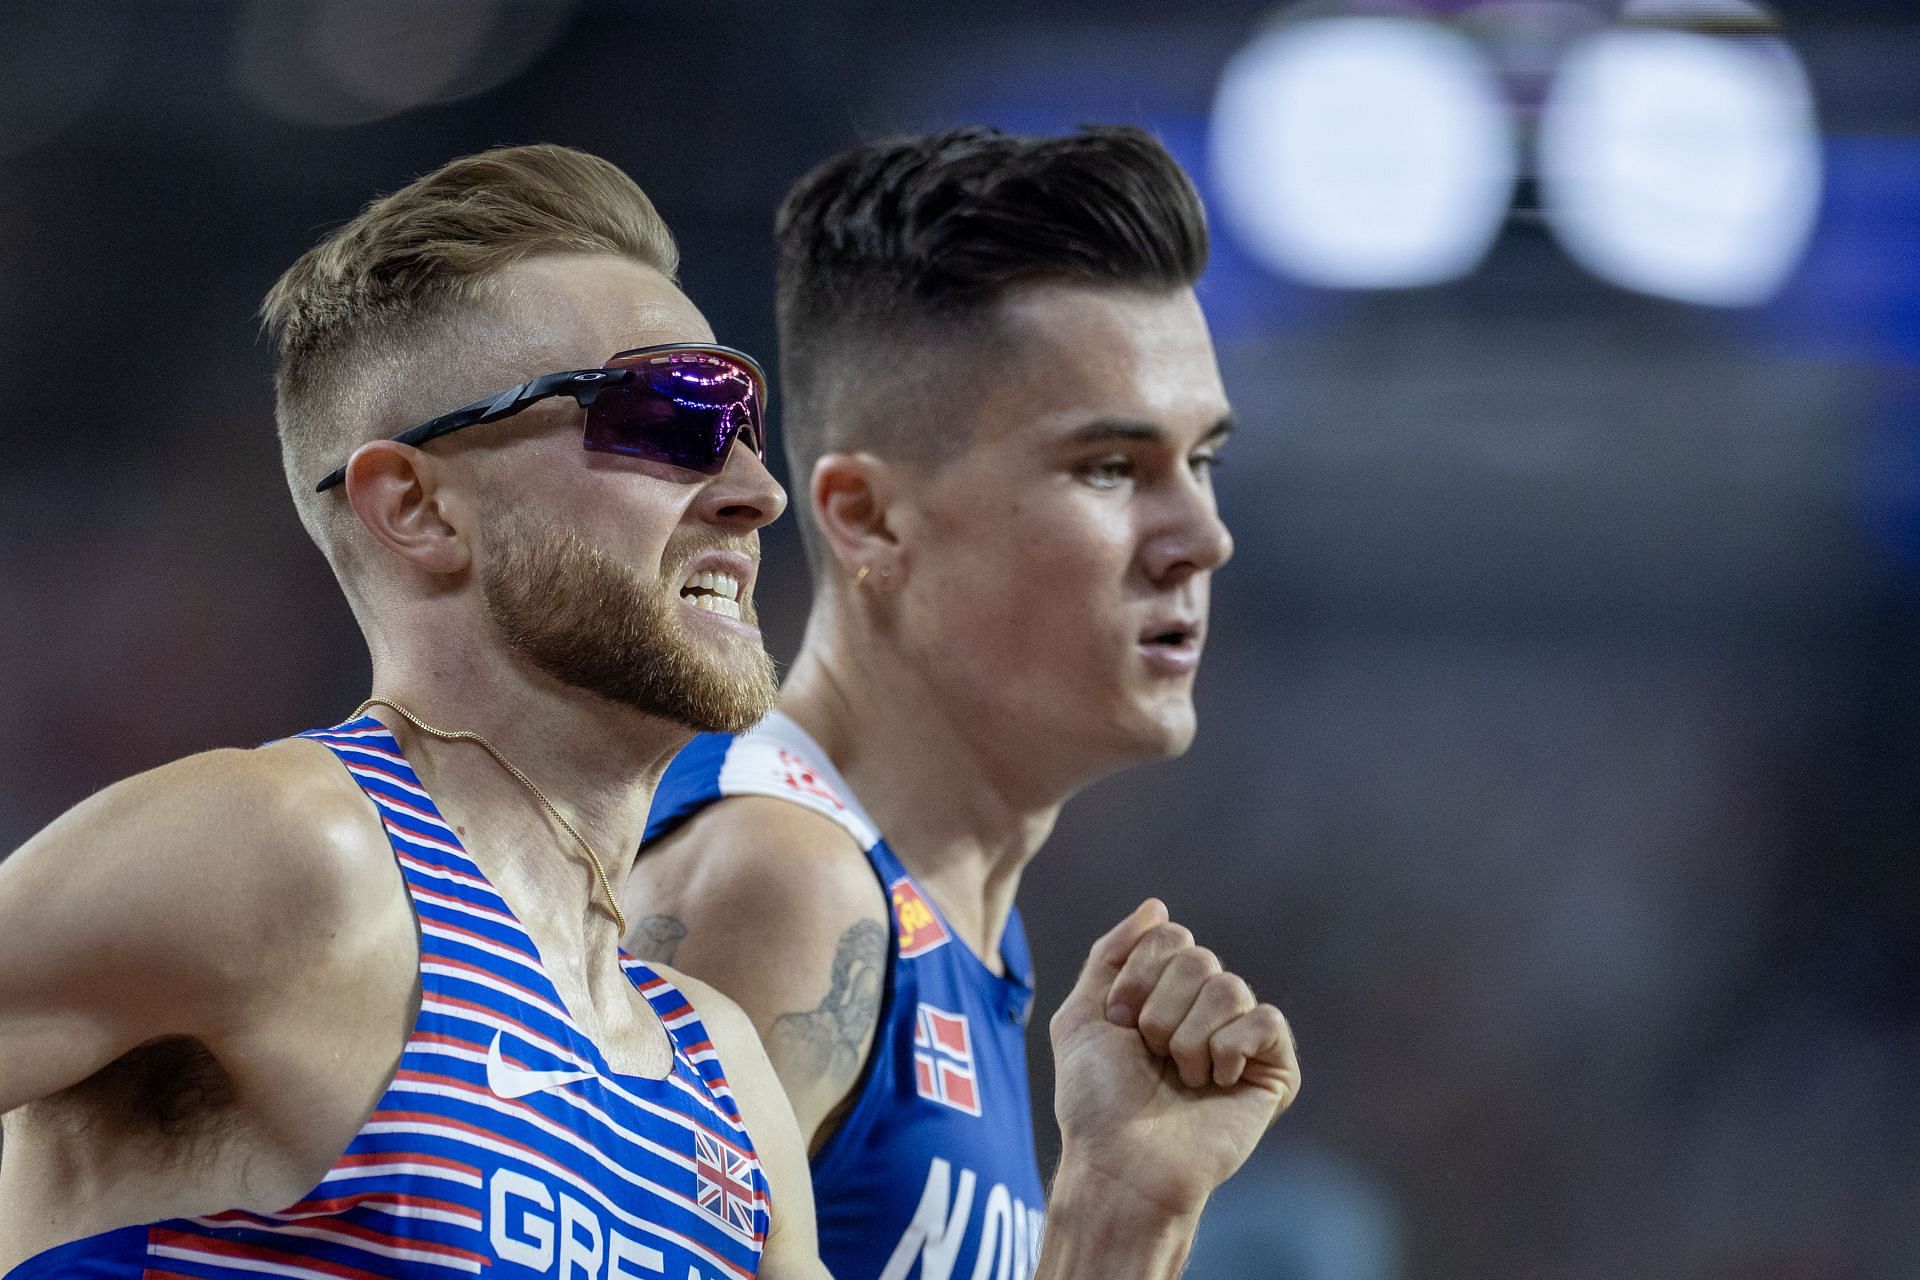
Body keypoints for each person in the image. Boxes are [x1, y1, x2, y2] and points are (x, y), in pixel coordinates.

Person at [0, 143, 1296, 1280]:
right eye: (663, 418)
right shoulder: (291, 858)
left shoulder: (716, 1075)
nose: (752, 492)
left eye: (741, 421)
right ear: (416, 506)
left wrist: (1117, 1218)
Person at [627, 125, 1263, 1280]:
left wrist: (1119, 1224)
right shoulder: (786, 887)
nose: (1201, 535)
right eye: (1111, 467)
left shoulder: (949, 919)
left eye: (1202, 459)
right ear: (867, 517)